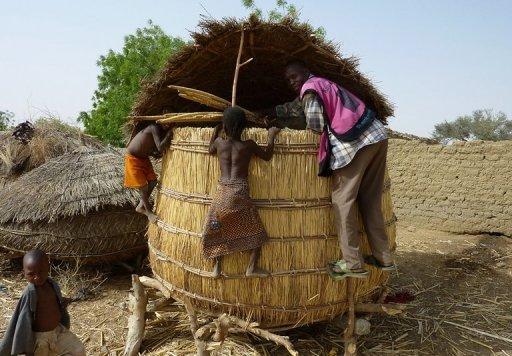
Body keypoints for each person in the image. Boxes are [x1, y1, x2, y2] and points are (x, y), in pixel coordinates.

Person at [270, 60, 395, 279]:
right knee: (370, 199)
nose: (292, 81)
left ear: (306, 72)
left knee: (342, 201)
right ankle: (384, 258)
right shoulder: (324, 84)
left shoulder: (309, 91)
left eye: (294, 76)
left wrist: (286, 125)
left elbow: (316, 126)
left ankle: (353, 264)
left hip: (356, 143)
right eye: (288, 79)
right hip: (377, 135)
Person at [203, 106, 280, 278]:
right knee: (256, 231)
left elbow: (209, 150)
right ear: (244, 126)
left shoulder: (219, 143)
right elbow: (267, 156)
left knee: (216, 227)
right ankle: (251, 267)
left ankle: (217, 267)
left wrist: (215, 131)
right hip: (239, 192)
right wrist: (271, 136)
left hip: (222, 192)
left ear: (225, 125)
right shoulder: (248, 145)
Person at [0, 249, 85, 356]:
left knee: (78, 350)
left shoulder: (52, 285)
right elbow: (22, 317)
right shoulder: (30, 293)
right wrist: (23, 344)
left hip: (58, 331)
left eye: (41, 272)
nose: (37, 277)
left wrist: (63, 302)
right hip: (40, 339)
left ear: (47, 268)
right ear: (24, 273)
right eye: (31, 274)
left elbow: (55, 301)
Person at [124, 122, 172, 222]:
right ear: (161, 119)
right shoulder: (153, 127)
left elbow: (156, 150)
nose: (167, 124)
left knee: (153, 181)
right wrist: (168, 136)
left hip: (144, 158)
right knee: (143, 187)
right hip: (132, 158)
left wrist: (155, 153)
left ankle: (140, 206)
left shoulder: (160, 132)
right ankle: (148, 212)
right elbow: (160, 147)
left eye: (170, 123)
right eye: (166, 122)